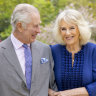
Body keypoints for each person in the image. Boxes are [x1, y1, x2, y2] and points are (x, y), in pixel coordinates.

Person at [0, 3, 55, 96]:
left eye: (39, 25)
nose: (39, 30)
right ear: (20, 26)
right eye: (35, 26)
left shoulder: (45, 50)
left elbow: (52, 85)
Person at [49, 9, 96, 96]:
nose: (67, 33)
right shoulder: (52, 51)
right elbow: (40, 79)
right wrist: (50, 92)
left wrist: (66, 93)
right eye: (63, 29)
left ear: (80, 29)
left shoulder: (93, 50)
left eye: (72, 28)